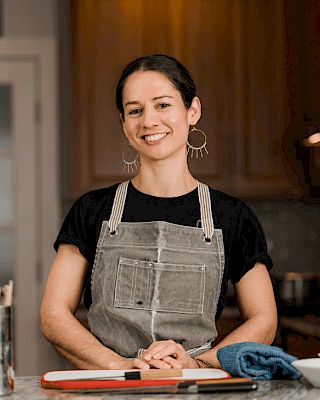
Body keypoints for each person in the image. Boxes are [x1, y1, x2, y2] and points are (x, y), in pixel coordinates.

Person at [40, 54, 277, 370]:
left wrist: (197, 366)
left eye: (163, 105)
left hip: (195, 387)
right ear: (125, 126)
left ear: (192, 111)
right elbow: (53, 314)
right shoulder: (92, 210)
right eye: (135, 110)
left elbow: (264, 319)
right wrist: (119, 368)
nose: (149, 121)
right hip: (110, 387)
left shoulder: (233, 216)